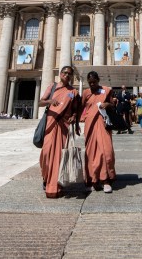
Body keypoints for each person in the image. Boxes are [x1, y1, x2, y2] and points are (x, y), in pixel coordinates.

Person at [38, 66, 81, 198]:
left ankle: (55, 184)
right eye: (65, 73)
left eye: (70, 74)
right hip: (50, 124)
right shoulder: (52, 86)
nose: (67, 75)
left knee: (58, 156)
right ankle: (46, 176)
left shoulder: (73, 92)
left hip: (63, 126)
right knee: (46, 153)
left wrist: (74, 117)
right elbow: (40, 102)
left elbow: (76, 109)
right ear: (60, 74)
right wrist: (49, 101)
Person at [81, 71, 116, 193]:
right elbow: (80, 108)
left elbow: (112, 104)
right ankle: (92, 180)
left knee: (106, 151)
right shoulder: (85, 92)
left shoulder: (106, 90)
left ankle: (106, 179)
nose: (92, 84)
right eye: (90, 83)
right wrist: (75, 124)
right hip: (90, 125)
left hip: (103, 123)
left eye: (94, 82)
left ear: (98, 80)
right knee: (91, 152)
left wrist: (107, 104)